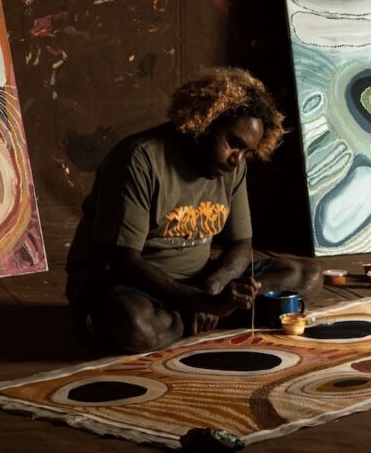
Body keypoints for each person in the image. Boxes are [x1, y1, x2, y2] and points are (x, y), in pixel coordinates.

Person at [65, 67, 322, 353]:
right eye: (232, 143)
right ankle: (205, 315)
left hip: (200, 281)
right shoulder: (139, 159)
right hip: (129, 284)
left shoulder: (233, 169)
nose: (237, 159)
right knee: (135, 325)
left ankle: (193, 318)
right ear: (204, 121)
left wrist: (214, 286)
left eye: (247, 151)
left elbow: (241, 242)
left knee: (306, 275)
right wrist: (201, 302)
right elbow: (125, 261)